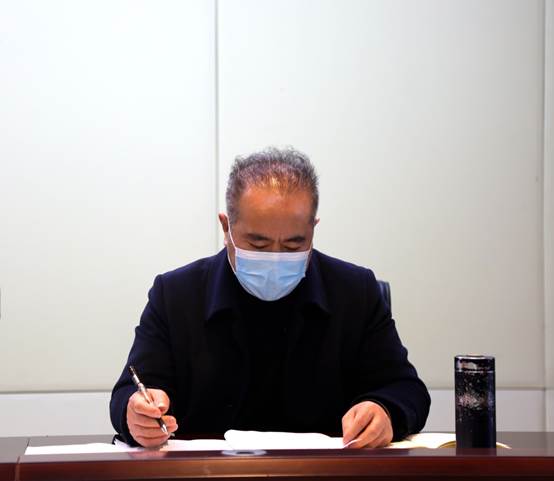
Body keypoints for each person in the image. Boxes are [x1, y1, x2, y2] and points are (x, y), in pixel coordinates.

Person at [110, 147, 430, 448]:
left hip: (325, 475)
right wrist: (136, 414)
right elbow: (130, 392)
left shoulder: (355, 292)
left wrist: (385, 410)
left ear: (313, 229)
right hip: (208, 475)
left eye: (293, 244)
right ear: (226, 227)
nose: (276, 257)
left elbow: (406, 389)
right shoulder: (176, 294)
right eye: (258, 244)